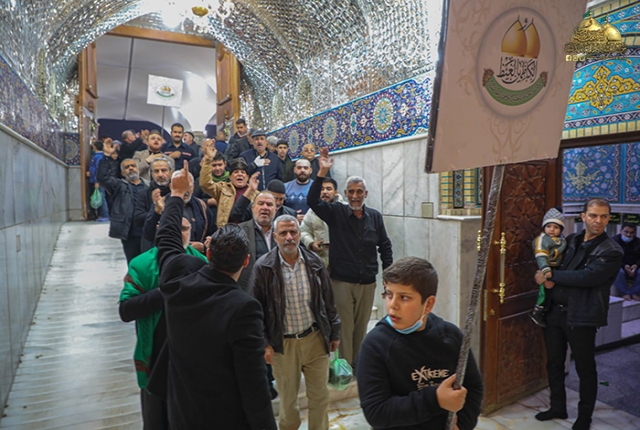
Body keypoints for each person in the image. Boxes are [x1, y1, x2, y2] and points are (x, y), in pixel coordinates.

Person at [149, 161, 277, 429]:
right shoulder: (244, 308)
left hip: (181, 410)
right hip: (222, 416)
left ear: (208, 253)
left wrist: (176, 194)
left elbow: (168, 238)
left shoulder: (177, 283)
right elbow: (254, 384)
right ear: (246, 262)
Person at [357, 257, 483, 430]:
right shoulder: (375, 345)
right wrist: (435, 400)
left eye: (404, 297)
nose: (393, 305)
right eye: (389, 294)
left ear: (428, 304)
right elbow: (376, 412)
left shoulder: (452, 337)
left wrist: (462, 425)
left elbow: (474, 387)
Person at [534, 198, 623, 430]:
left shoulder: (612, 250)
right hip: (555, 312)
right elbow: (552, 260)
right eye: (593, 215)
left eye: (603, 216)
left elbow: (587, 277)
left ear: (609, 219)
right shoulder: (571, 240)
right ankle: (557, 407)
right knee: (554, 363)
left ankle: (584, 417)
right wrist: (543, 272)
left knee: (585, 368)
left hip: (582, 316)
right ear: (583, 217)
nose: (598, 220)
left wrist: (549, 276)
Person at [252, 214, 341, 430]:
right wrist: (264, 343)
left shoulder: (315, 263)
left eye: (293, 232)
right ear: (275, 237)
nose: (289, 237)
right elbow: (256, 310)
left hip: (315, 339)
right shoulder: (263, 267)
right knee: (288, 401)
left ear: (300, 234)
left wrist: (334, 332)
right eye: (283, 233)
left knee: (320, 396)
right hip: (283, 345)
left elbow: (328, 300)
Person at [307, 147, 393, 368]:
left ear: (366, 194)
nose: (355, 196)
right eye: (351, 192)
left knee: (361, 326)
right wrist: (321, 172)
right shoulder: (335, 212)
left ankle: (359, 365)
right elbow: (312, 201)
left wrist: (388, 278)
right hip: (342, 282)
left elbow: (385, 246)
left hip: (368, 283)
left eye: (359, 192)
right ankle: (345, 368)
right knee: (344, 328)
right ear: (345, 194)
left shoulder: (375, 217)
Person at [119, 217, 207, 430]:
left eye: (184, 229)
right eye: (174, 229)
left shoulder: (202, 263)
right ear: (160, 230)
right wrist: (166, 291)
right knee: (156, 419)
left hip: (192, 358)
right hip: (156, 354)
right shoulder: (141, 265)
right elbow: (126, 310)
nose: (179, 234)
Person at [98, 141, 149, 263]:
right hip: (129, 233)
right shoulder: (119, 186)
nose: (130, 168)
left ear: (138, 169)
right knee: (133, 263)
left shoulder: (149, 186)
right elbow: (103, 178)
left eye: (133, 166)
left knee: (147, 263)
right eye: (127, 167)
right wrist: (106, 156)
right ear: (122, 173)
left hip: (147, 232)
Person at [199, 142, 259, 227]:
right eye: (236, 172)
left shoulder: (255, 194)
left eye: (243, 172)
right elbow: (205, 184)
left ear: (247, 177)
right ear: (230, 177)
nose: (240, 174)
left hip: (248, 231)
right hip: (226, 230)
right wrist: (209, 159)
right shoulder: (222, 188)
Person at [530, 208, 567, 327]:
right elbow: (541, 256)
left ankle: (546, 311)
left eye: (556, 227)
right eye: (549, 226)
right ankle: (537, 312)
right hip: (546, 269)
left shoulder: (561, 240)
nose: (552, 229)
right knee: (544, 292)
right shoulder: (542, 240)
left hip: (557, 269)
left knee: (552, 292)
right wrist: (546, 270)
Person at [300, 178, 343, 268]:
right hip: (320, 260)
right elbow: (303, 231)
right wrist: (311, 243)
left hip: (342, 260)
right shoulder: (312, 211)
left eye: (329, 189)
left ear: (336, 192)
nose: (324, 192)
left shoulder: (345, 209)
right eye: (322, 189)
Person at [228, 179, 296, 224]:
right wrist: (250, 190)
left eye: (281, 199)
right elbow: (235, 215)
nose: (278, 203)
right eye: (275, 198)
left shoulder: (290, 214)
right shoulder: (253, 208)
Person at [612, 222, 640, 301]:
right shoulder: (613, 242)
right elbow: (612, 258)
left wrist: (637, 265)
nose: (628, 235)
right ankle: (625, 293)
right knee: (617, 271)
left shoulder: (638, 242)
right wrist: (624, 266)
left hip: (634, 267)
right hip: (619, 266)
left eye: (631, 233)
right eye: (626, 232)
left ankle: (634, 293)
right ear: (621, 231)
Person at [87, 140, 109, 222]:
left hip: (99, 181)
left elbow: (98, 169)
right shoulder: (99, 156)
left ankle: (105, 215)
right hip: (98, 180)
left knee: (101, 197)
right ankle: (101, 214)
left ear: (95, 147)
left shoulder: (98, 157)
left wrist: (97, 181)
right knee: (100, 196)